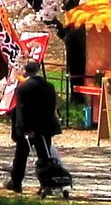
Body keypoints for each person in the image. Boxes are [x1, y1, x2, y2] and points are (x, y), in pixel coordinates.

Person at [7, 67, 75, 197]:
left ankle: (16, 183)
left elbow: (22, 111)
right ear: (37, 71)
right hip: (45, 127)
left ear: (25, 72)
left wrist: (21, 129)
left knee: (21, 156)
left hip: (29, 128)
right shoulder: (49, 86)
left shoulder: (23, 88)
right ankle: (46, 183)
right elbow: (52, 106)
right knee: (45, 157)